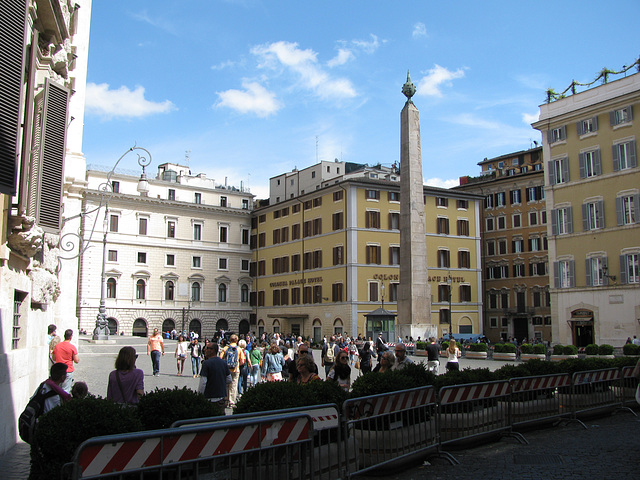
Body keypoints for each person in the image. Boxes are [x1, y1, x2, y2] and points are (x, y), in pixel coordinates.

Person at [199, 342, 232, 409]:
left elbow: (203, 382)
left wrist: (199, 396)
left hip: (209, 397)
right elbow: (229, 379)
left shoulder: (206, 364)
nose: (205, 350)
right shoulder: (223, 363)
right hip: (221, 397)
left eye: (207, 348)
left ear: (213, 350)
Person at [220, 334, 246, 408]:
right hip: (235, 369)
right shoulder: (239, 349)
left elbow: (220, 358)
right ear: (236, 340)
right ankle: (231, 401)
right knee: (233, 385)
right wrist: (237, 364)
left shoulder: (226, 348)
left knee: (226, 385)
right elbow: (243, 361)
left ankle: (225, 400)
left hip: (226, 370)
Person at [51, 329, 79, 393]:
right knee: (66, 390)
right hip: (68, 370)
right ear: (71, 337)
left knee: (57, 389)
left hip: (59, 371)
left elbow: (54, 358)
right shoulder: (72, 347)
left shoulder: (57, 346)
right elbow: (76, 360)